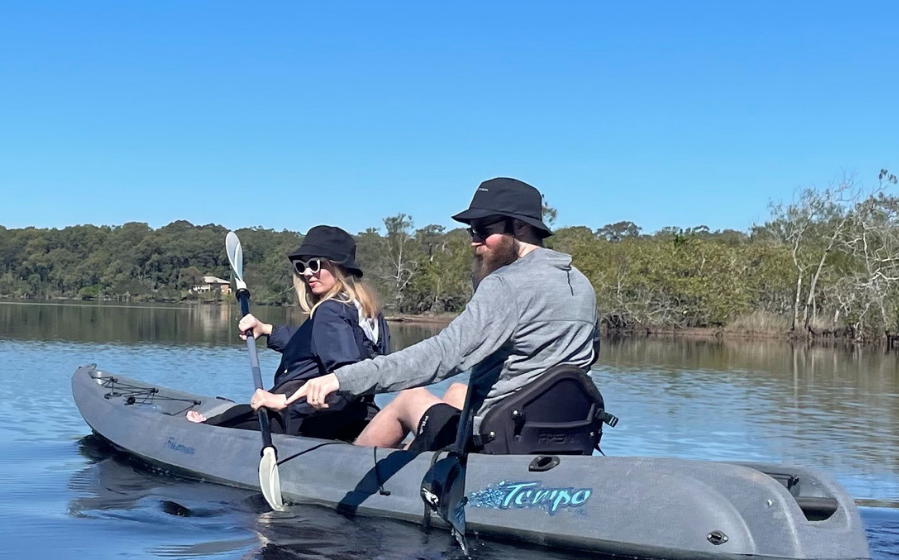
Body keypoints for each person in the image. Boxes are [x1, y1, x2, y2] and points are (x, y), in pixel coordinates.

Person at [291, 178, 597, 450]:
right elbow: (588, 356)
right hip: (561, 430)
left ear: (520, 226)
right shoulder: (581, 283)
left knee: (410, 398)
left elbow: (443, 354)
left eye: (483, 229)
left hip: (500, 437)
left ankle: (342, 473)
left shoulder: (505, 284)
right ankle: (416, 457)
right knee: (456, 391)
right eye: (471, 231)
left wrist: (341, 379)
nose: (474, 240)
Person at [187, 225, 390, 441]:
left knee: (226, 418)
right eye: (301, 266)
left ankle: (199, 431)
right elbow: (315, 344)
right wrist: (267, 330)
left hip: (307, 421)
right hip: (360, 416)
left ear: (339, 267)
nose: (307, 273)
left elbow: (345, 377)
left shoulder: (329, 310)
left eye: (315, 264)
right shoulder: (369, 312)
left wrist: (284, 400)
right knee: (236, 413)